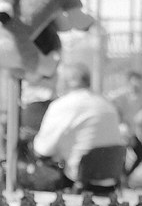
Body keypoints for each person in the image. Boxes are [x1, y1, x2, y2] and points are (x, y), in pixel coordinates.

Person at [32, 62, 123, 190]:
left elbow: (42, 150)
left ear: (70, 81)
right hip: (111, 182)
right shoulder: (107, 105)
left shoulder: (62, 106)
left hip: (77, 182)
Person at [109, 70, 142, 186]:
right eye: (134, 83)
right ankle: (121, 179)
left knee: (140, 153)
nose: (137, 86)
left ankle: (124, 176)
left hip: (132, 132)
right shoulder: (120, 96)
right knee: (123, 155)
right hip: (122, 131)